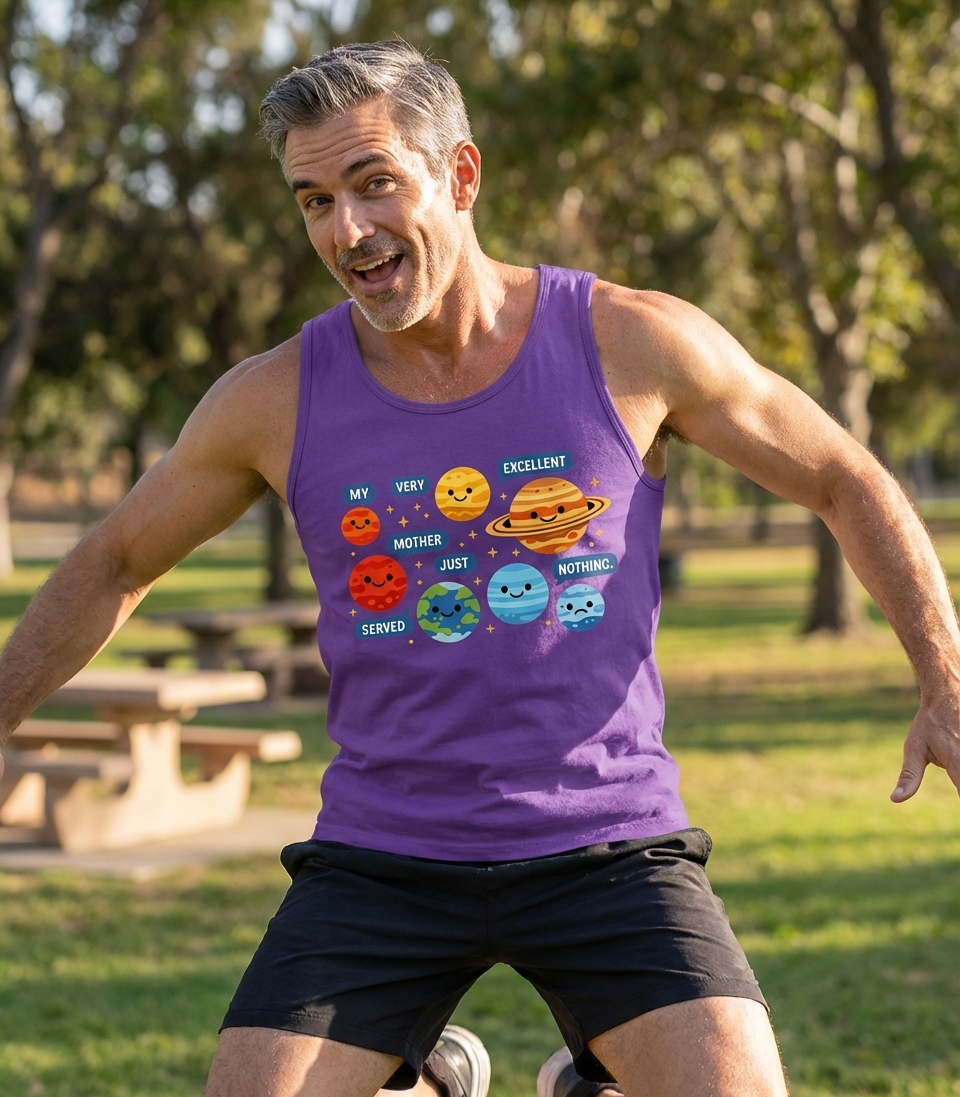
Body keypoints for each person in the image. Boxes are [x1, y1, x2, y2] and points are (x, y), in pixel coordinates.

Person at [0, 39, 956, 1097]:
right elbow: (117, 558)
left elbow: (841, 475)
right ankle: (437, 1080)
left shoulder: (631, 344)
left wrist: (945, 678)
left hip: (608, 843)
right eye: (315, 201)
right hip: (383, 855)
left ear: (460, 176)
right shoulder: (274, 398)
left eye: (374, 183)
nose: (346, 230)